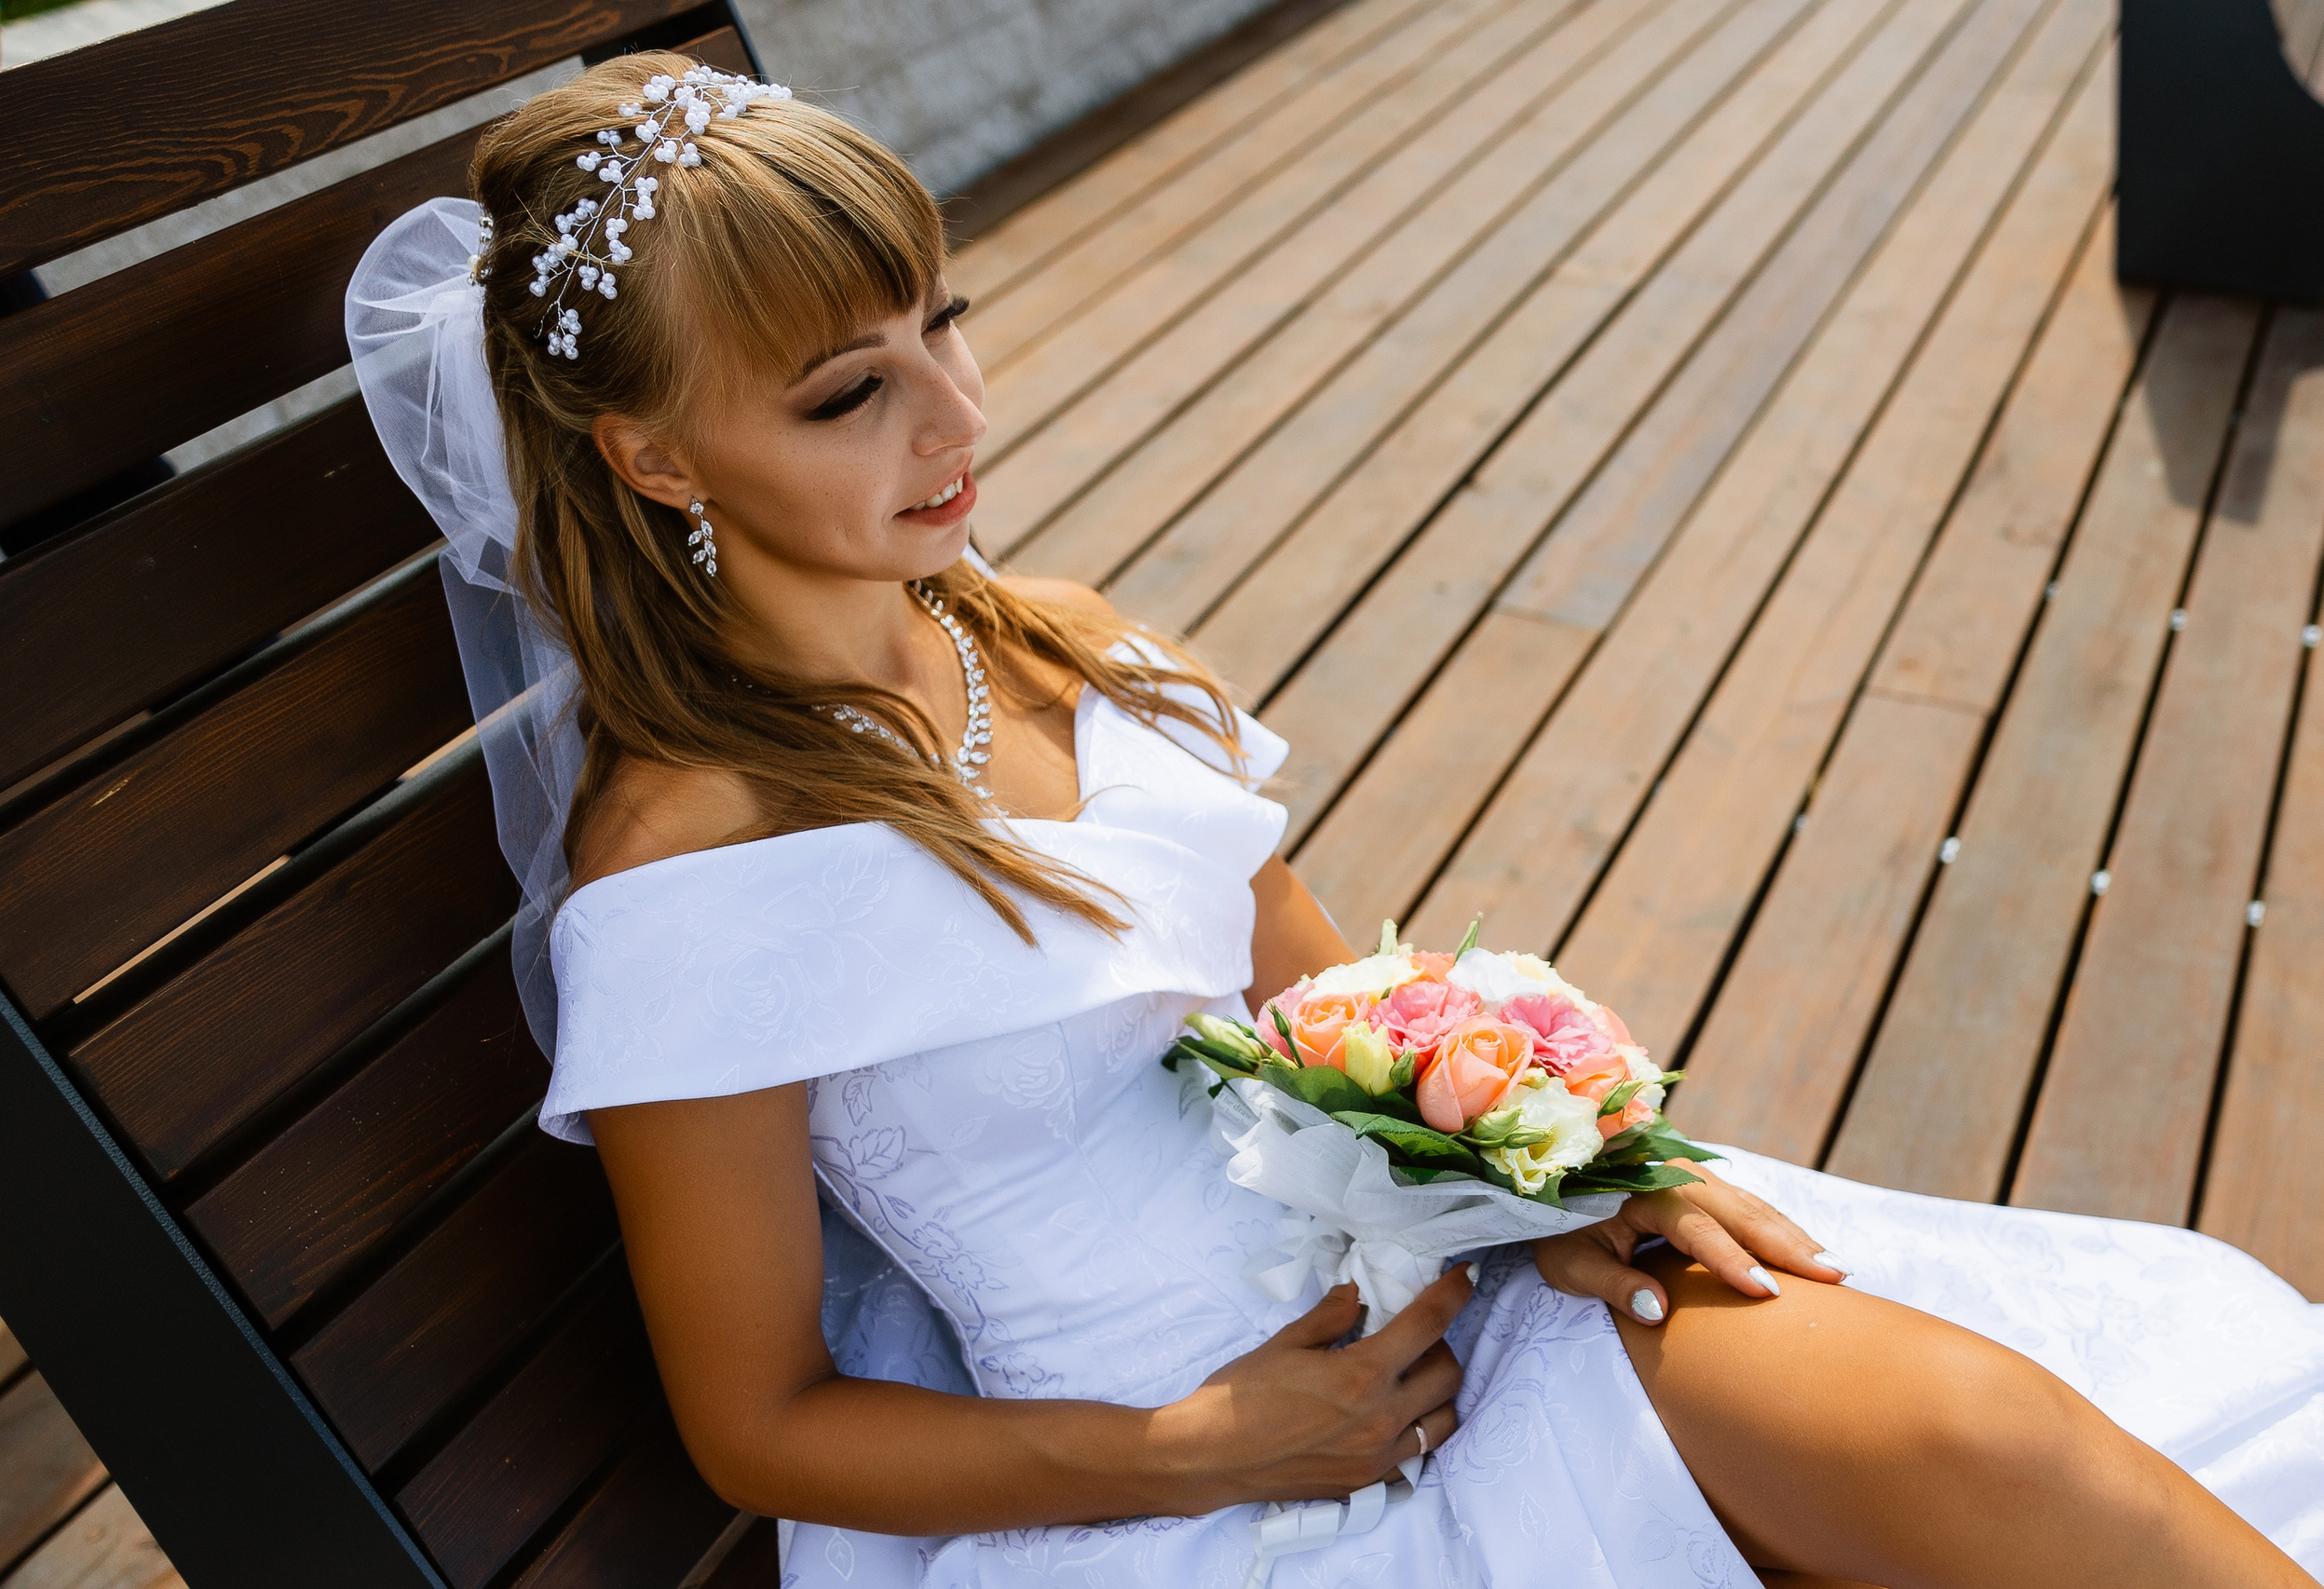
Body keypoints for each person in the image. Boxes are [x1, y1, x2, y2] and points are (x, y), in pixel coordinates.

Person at [345, 52, 2324, 1589]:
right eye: (846, 394)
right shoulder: (692, 868)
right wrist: (1199, 1448)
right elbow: (761, 1423)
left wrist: (1577, 1171)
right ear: (655, 455)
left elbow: (1325, 1000)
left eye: (945, 320)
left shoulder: (1055, 642)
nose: (954, 415)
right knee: (1921, 1468)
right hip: (1190, 1457)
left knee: (1967, 1430)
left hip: (1439, 1270)